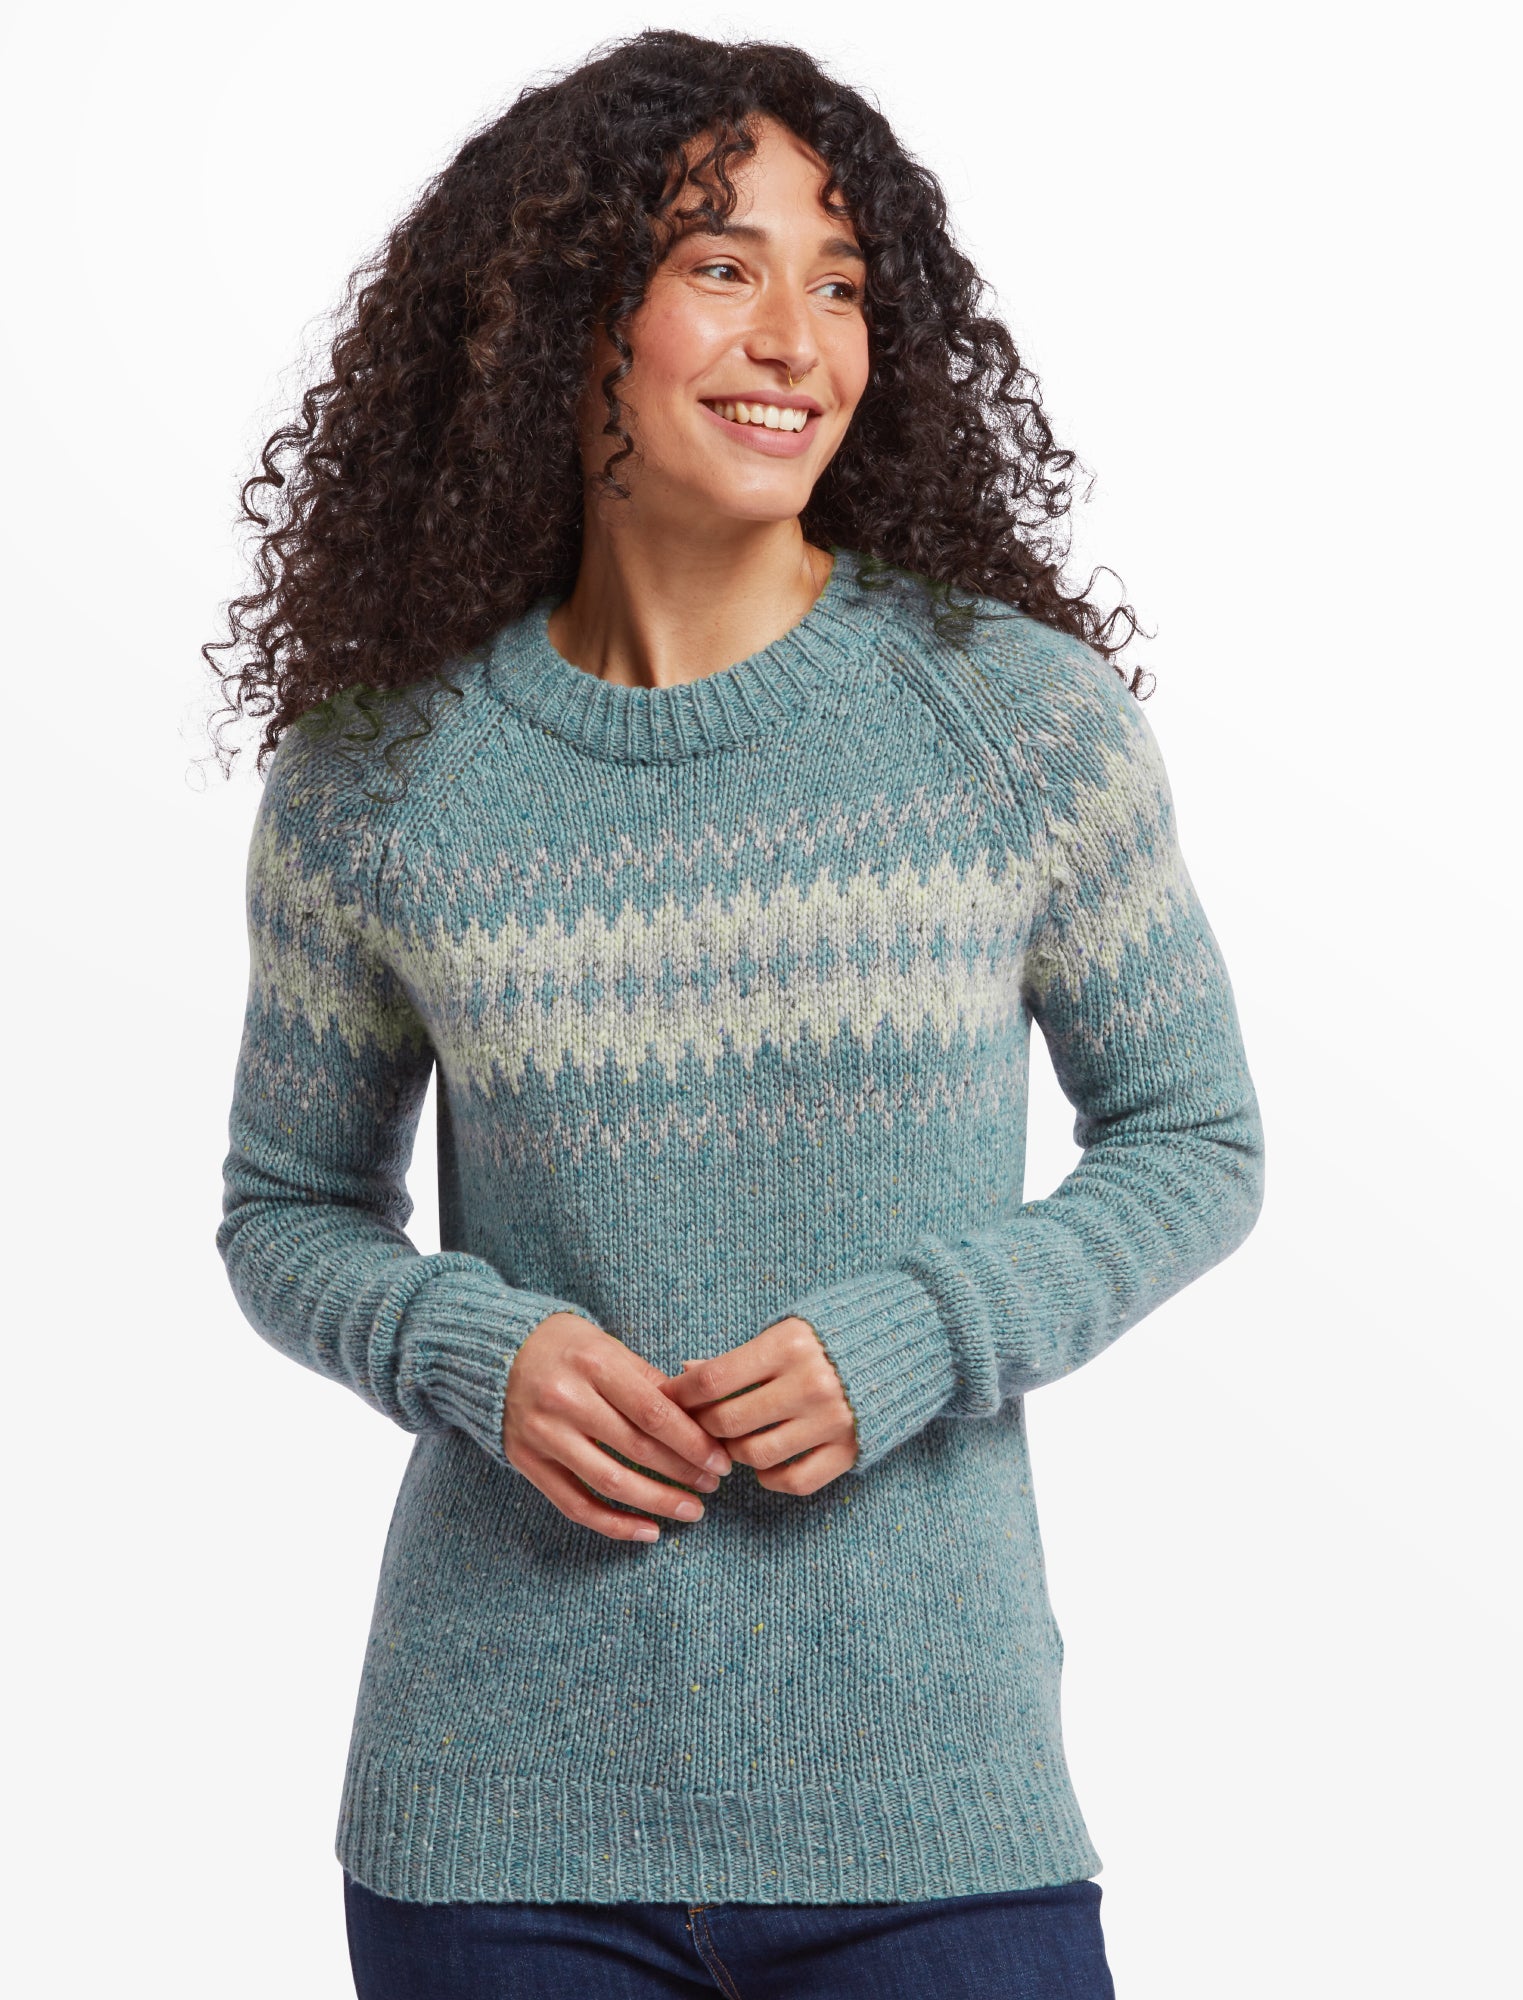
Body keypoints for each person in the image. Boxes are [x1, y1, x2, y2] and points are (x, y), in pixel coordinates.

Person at [210, 29, 1264, 1999]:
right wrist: (463, 1339)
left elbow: (1195, 1137)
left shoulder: (1012, 719)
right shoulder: (378, 778)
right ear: (554, 318)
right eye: (719, 264)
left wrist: (920, 1333)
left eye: (843, 280)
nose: (797, 335)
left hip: (930, 1805)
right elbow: (286, 1210)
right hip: (495, 1819)